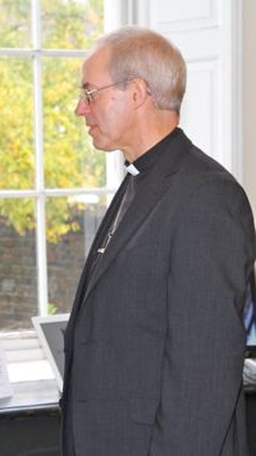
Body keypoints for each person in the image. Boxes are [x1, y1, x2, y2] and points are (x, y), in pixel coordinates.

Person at [62, 26, 256, 455]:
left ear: (136, 93)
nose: (80, 108)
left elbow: (202, 378)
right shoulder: (138, 181)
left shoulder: (207, 197)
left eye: (90, 93)